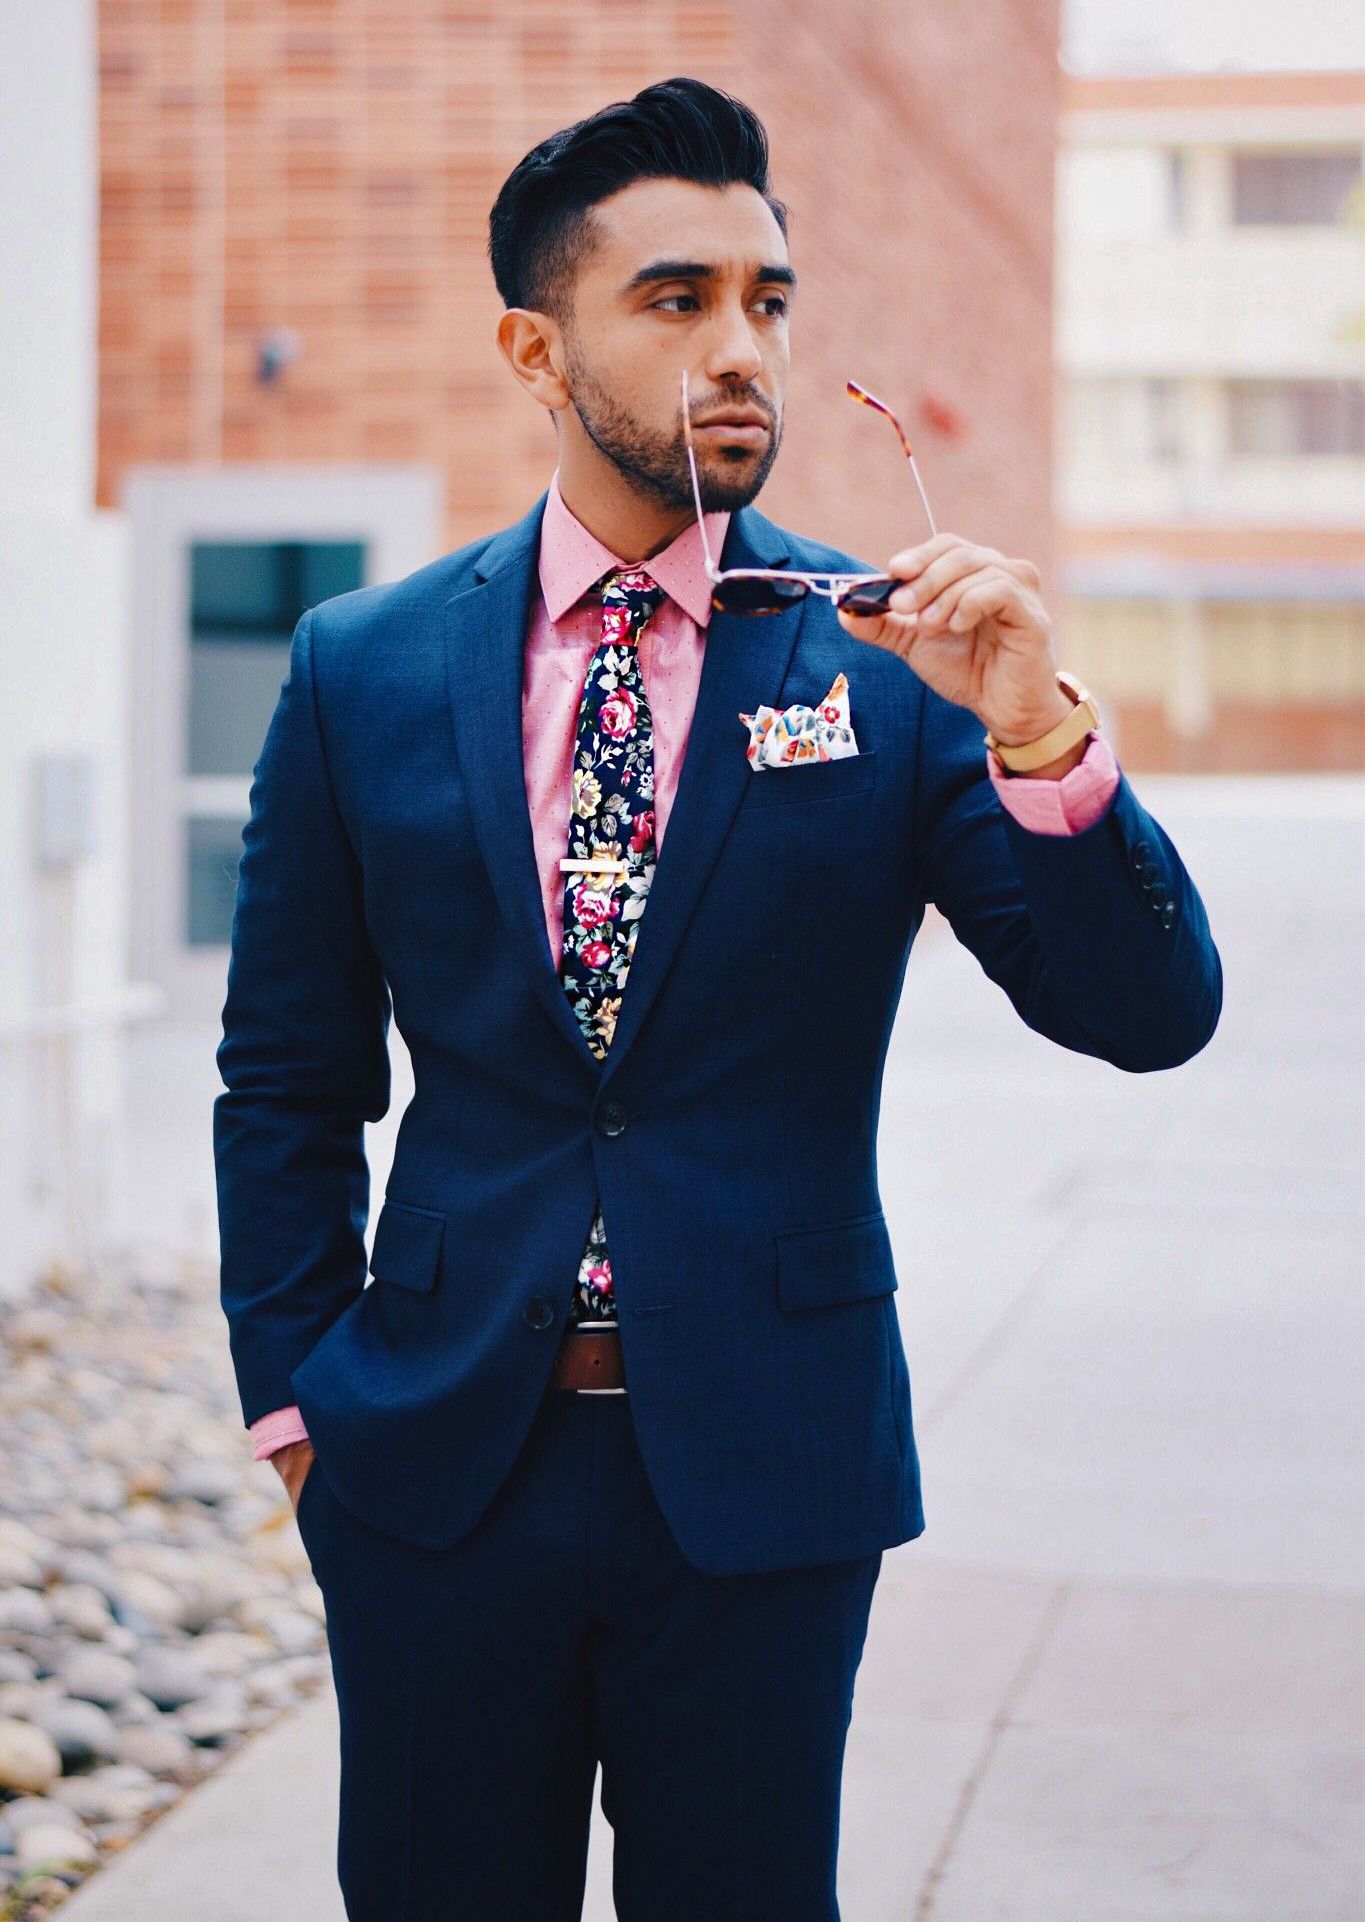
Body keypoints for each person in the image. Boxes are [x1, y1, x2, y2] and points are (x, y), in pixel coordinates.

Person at [214, 74, 1222, 1922]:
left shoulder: (895, 656)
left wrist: (1034, 728)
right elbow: (283, 1078)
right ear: (537, 344)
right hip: (435, 1471)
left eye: (766, 301)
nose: (738, 347)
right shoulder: (359, 667)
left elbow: (1145, 1010)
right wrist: (302, 1412)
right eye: (675, 301)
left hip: (765, 1472)